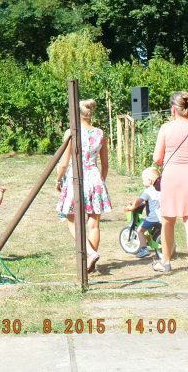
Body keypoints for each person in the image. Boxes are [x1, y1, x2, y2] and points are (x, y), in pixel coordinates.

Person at [152, 91, 188, 277]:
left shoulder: (166, 128)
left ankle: (166, 262)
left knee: (168, 220)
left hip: (172, 175)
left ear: (173, 109)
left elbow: (157, 158)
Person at [55, 99, 111, 273]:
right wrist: (100, 181)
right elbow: (105, 164)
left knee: (70, 217)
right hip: (94, 177)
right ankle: (90, 263)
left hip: (77, 176)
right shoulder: (100, 133)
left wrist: (58, 179)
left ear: (76, 114)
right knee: (94, 223)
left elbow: (64, 163)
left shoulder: (71, 132)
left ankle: (90, 253)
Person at [124, 167, 161, 259]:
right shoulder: (159, 190)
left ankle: (144, 249)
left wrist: (131, 207)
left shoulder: (147, 191)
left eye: (143, 180)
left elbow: (138, 202)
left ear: (150, 181)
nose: (143, 182)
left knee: (140, 230)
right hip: (162, 217)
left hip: (153, 218)